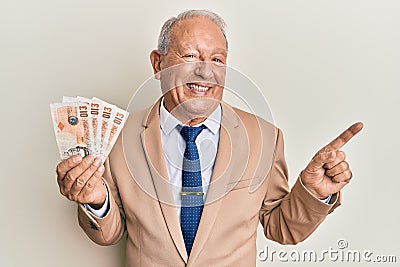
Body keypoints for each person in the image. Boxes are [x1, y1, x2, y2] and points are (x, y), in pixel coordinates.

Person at [55, 10, 363, 267]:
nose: (205, 72)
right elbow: (109, 234)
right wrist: (96, 201)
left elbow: (280, 228)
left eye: (217, 60)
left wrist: (312, 192)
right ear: (158, 63)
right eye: (190, 56)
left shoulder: (265, 137)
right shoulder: (120, 139)